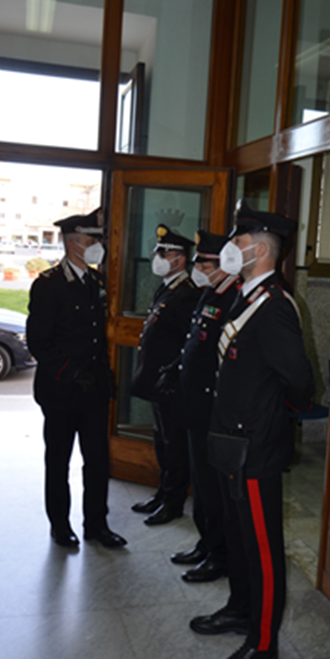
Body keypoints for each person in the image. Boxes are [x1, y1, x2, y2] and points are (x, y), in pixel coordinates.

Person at [190, 200, 315, 659]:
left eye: (238, 239)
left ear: (260, 249)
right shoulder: (246, 295)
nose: (231, 246)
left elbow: (299, 382)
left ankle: (262, 646)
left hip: (255, 447)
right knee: (240, 537)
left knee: (262, 548)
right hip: (230, 441)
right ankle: (241, 609)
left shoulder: (275, 305)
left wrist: (269, 419)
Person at [26, 208, 127, 550]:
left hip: (93, 388)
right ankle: (60, 525)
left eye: (98, 239)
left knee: (97, 459)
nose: (98, 246)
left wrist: (100, 374)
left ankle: (97, 524)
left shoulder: (97, 282)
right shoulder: (48, 285)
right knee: (59, 459)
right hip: (61, 388)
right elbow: (39, 342)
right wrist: (72, 372)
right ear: (72, 244)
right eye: (91, 240)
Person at [164, 230, 241, 582]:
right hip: (193, 404)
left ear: (223, 265)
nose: (198, 269)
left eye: (204, 264)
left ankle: (219, 555)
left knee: (213, 488)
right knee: (200, 481)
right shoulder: (212, 292)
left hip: (212, 407)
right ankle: (205, 542)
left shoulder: (234, 298)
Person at [130, 225, 200, 525]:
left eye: (164, 252)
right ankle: (162, 493)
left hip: (172, 384)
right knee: (161, 441)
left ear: (180, 258)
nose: (157, 257)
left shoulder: (186, 294)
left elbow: (189, 343)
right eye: (158, 251)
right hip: (159, 382)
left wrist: (172, 373)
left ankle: (173, 502)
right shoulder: (168, 287)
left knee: (174, 445)